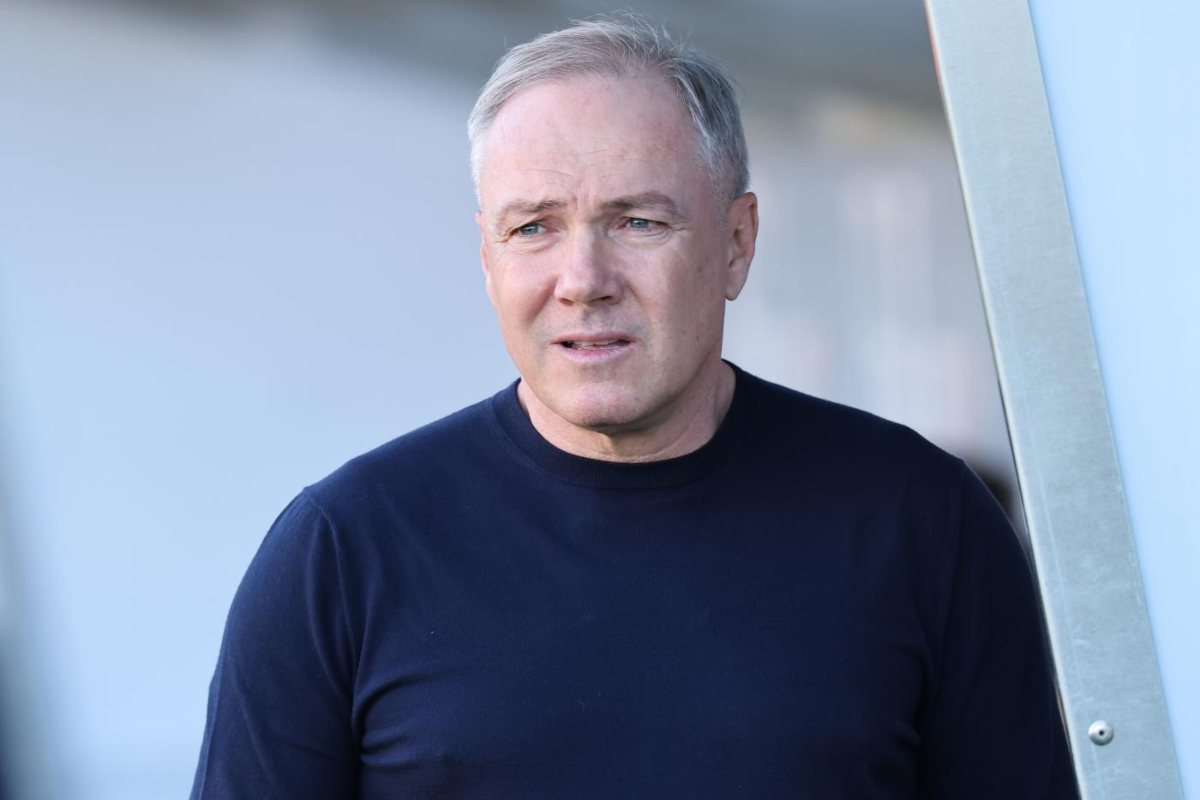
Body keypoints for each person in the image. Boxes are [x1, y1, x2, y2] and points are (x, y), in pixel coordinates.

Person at [191, 15, 1079, 798]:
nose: (583, 280)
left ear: (736, 243)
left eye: (638, 222)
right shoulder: (344, 552)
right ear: (489, 260)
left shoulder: (922, 521)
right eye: (533, 227)